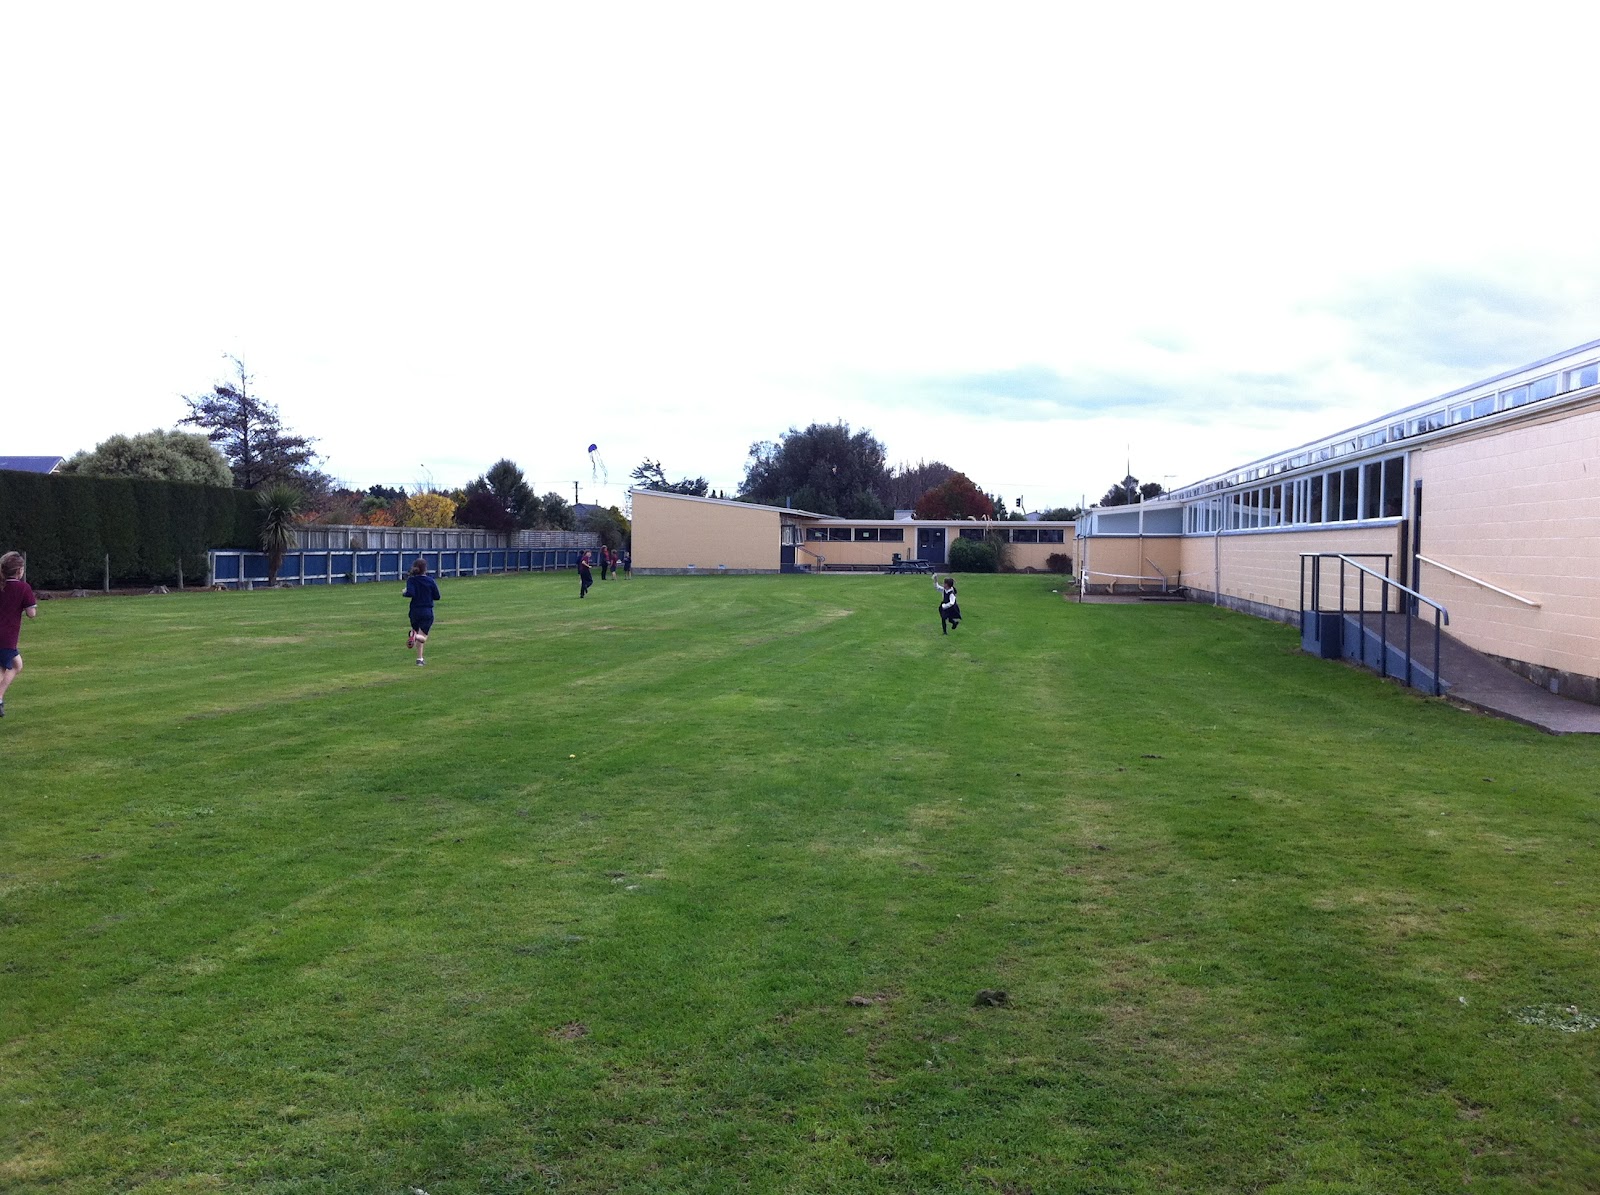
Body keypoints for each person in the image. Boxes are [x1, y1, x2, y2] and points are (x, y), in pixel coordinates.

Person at [0, 551, 38, 716]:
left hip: (5, 637)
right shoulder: (23, 588)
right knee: (4, 668)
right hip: (7, 637)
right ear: (19, 571)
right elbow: (31, 613)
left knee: (16, 665)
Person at [403, 557, 440, 666]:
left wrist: (404, 592)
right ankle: (414, 637)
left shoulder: (411, 580)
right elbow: (437, 596)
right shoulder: (430, 581)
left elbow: (410, 593)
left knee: (416, 632)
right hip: (427, 611)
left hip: (414, 611)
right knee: (422, 637)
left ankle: (419, 659)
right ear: (425, 569)